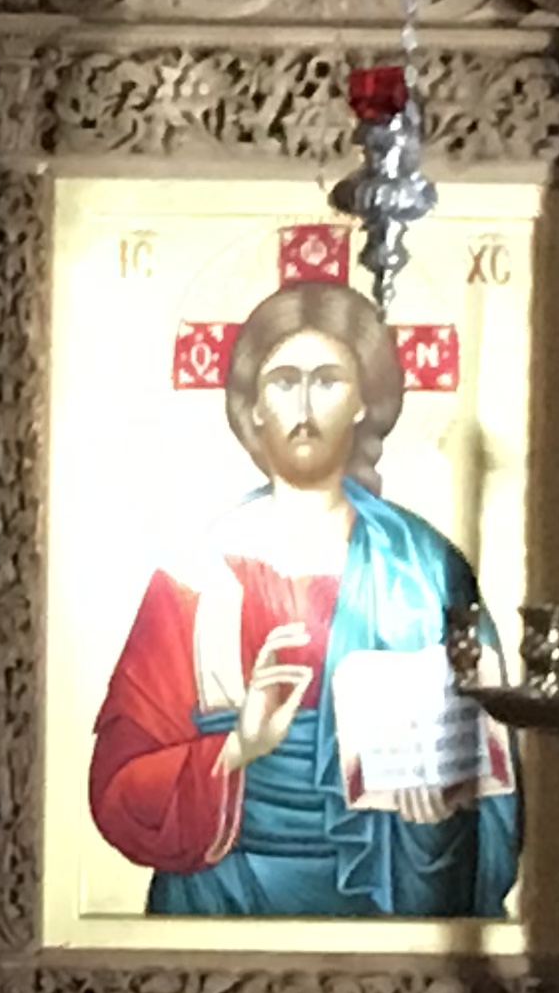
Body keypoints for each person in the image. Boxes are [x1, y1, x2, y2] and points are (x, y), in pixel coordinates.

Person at [88, 280, 518, 918]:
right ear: (254, 406)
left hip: (389, 903)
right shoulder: (195, 573)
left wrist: (442, 813)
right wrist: (238, 748)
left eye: (329, 381)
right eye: (284, 382)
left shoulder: (426, 567)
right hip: (221, 899)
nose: (305, 405)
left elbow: (488, 776)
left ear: (364, 402)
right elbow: (120, 785)